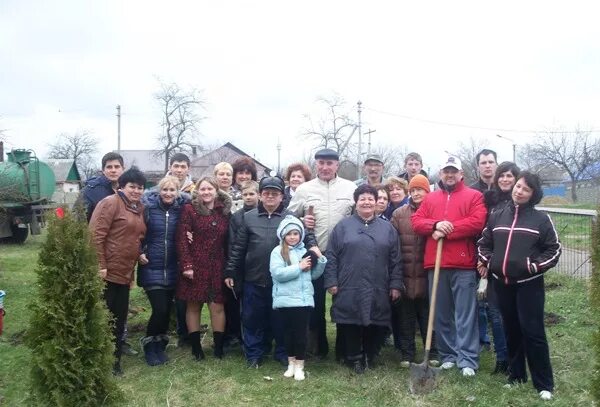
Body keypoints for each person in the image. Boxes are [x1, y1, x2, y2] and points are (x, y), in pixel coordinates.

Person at [477, 171, 561, 401]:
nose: (519, 191)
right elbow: (484, 243)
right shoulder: (497, 215)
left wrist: (533, 267)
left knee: (533, 332)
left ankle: (544, 383)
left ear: (533, 195)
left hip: (528, 286)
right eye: (518, 186)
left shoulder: (541, 219)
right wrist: (489, 261)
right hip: (502, 284)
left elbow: (554, 250)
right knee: (511, 329)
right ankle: (516, 375)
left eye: (526, 189)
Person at [225, 176, 315, 368]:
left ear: (282, 196)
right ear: (260, 195)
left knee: (280, 319)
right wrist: (231, 271)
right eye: (266, 193)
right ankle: (254, 354)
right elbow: (238, 248)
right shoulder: (248, 218)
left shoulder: (290, 218)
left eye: (275, 194)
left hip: (282, 280)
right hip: (253, 278)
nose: (270, 197)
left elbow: (304, 240)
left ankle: (282, 352)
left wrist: (314, 249)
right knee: (252, 318)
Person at [412, 155, 487, 377]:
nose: (450, 174)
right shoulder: (431, 199)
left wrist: (446, 228)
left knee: (465, 314)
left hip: (463, 264)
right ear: (441, 174)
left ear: (461, 174)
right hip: (435, 265)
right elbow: (417, 222)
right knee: (441, 313)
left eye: (454, 171)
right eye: (446, 171)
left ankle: (468, 359)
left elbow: (476, 222)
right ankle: (448, 355)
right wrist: (434, 224)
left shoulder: (474, 196)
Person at [324, 184, 403, 373]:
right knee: (350, 319)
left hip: (379, 284)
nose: (366, 202)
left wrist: (395, 284)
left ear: (376, 202)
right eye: (362, 199)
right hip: (348, 283)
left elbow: (396, 259)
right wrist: (331, 281)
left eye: (370, 199)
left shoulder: (388, 229)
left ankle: (370, 355)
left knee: (376, 320)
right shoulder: (343, 227)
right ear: (356, 202)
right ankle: (353, 357)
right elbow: (332, 255)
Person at [288, 148, 356, 359]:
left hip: (344, 255)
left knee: (344, 302)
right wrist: (300, 221)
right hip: (314, 253)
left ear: (337, 165)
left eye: (330, 163)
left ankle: (345, 349)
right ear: (316, 165)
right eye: (321, 163)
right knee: (314, 302)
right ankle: (316, 348)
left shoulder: (350, 188)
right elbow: (288, 217)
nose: (325, 167)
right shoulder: (304, 189)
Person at [89, 167, 147, 375]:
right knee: (103, 318)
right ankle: (99, 361)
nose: (136, 191)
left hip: (124, 273)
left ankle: (114, 362)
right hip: (107, 272)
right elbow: (96, 235)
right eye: (132, 186)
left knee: (118, 319)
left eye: (140, 187)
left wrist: (139, 253)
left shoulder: (137, 208)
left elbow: (134, 237)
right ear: (122, 186)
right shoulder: (110, 203)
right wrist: (100, 265)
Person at [175, 177, 231, 360]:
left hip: (217, 264)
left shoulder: (224, 211)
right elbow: (182, 239)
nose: (206, 192)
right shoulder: (189, 210)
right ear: (197, 191)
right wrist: (187, 265)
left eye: (210, 189)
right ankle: (196, 348)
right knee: (193, 305)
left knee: (217, 306)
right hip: (195, 264)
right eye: (202, 189)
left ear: (216, 191)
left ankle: (219, 347)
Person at [137, 176, 189, 366]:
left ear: (178, 192)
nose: (168, 194)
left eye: (172, 190)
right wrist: (139, 252)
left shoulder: (181, 210)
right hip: (152, 266)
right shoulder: (148, 209)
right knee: (159, 309)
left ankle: (160, 344)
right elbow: (136, 232)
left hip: (173, 268)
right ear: (159, 191)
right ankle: (150, 346)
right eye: (165, 190)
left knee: (167, 311)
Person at [270, 215, 327, 380]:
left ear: (300, 235)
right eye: (289, 234)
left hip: (303, 300)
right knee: (287, 333)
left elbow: (313, 275)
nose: (292, 237)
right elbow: (278, 273)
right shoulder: (278, 252)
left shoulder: (304, 252)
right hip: (285, 300)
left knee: (301, 334)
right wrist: (298, 266)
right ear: (283, 235)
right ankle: (291, 363)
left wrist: (321, 260)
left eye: (296, 233)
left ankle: (300, 365)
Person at [477, 161, 521, 374]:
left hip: (516, 268)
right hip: (493, 265)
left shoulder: (523, 203)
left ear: (516, 179)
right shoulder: (489, 202)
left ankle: (516, 358)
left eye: (510, 176)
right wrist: (484, 260)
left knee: (514, 314)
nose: (505, 179)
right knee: (495, 313)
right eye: (502, 175)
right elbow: (485, 234)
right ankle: (502, 358)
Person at [390, 174, 438, 367]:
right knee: (406, 317)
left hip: (427, 272)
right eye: (413, 190)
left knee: (428, 316)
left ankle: (433, 351)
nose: (417, 193)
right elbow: (393, 245)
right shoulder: (399, 214)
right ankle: (407, 353)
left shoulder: (435, 211)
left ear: (427, 191)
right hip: (406, 272)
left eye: (421, 189)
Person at [224, 180, 260, 348]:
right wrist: (231, 269)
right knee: (239, 305)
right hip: (241, 266)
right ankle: (238, 336)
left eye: (252, 194)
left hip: (258, 265)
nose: (248, 197)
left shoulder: (262, 213)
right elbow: (232, 243)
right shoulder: (237, 217)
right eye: (245, 194)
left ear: (258, 195)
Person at [81, 152, 125, 222]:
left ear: (123, 169)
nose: (113, 170)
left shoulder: (128, 190)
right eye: (109, 167)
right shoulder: (90, 191)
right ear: (103, 170)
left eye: (117, 167)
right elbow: (79, 219)